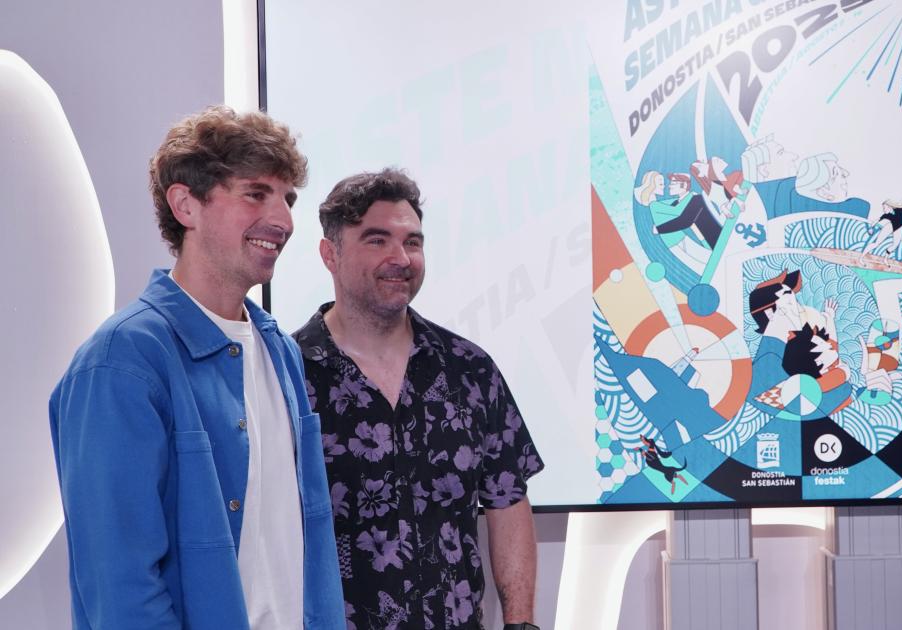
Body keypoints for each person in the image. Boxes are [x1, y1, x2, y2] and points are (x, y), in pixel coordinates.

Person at [49, 106, 344, 628]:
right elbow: (120, 585)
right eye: (256, 193)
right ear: (186, 204)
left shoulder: (280, 350)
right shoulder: (121, 361)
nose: (283, 220)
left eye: (288, 198)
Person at [293, 168, 544, 630]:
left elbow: (508, 501)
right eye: (377, 240)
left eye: (413, 242)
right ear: (330, 254)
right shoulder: (288, 376)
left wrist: (521, 623)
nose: (401, 258)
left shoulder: (470, 369)